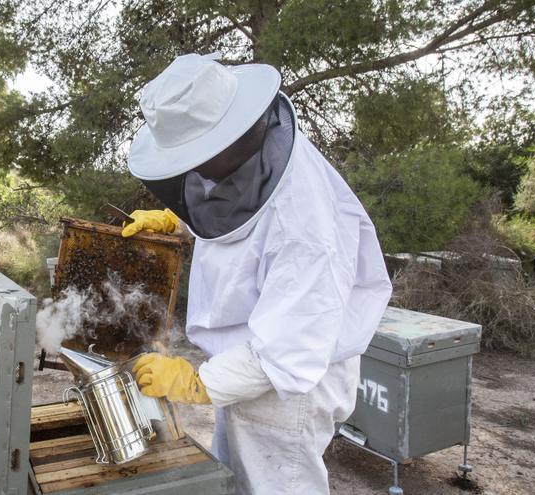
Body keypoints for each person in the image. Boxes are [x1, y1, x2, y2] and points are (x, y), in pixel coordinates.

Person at [123, 53, 393, 494]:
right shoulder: (252, 157)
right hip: (243, 367)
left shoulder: (304, 228)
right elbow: (241, 218)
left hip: (286, 391)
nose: (192, 170)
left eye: (195, 156)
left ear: (229, 138)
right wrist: (180, 222)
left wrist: (196, 382)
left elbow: (287, 351)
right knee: (233, 481)